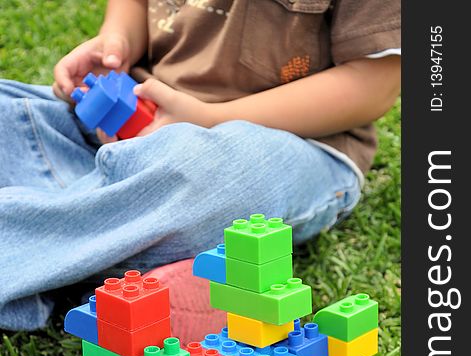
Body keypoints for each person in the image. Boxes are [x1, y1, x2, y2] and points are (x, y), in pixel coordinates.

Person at [0, 0, 400, 338]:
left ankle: (54, 234)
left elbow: (373, 84)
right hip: (141, 116)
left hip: (285, 143)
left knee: (196, 170)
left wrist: (211, 118)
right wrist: (115, 42)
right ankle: (108, 233)